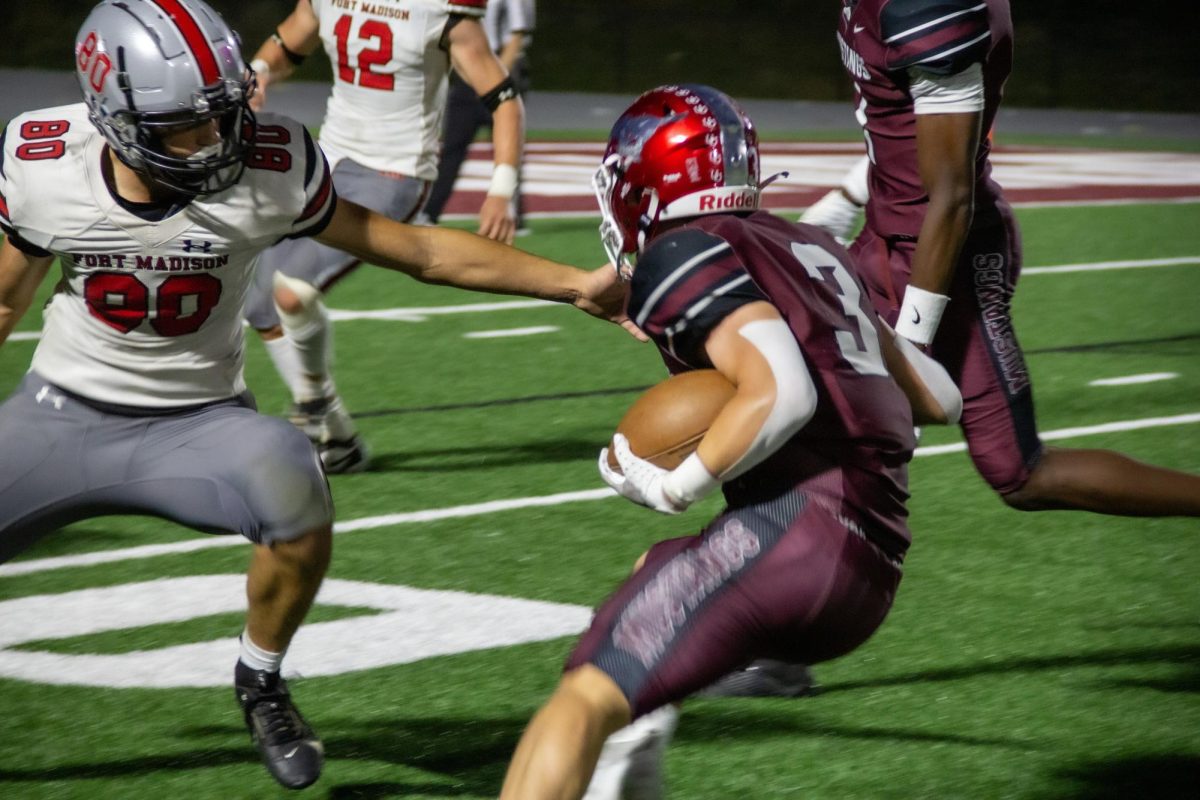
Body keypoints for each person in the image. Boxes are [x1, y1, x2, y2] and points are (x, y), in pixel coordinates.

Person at [0, 0, 629, 791]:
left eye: (223, 116)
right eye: (184, 128)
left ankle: (259, 677)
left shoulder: (268, 163)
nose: (213, 142)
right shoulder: (45, 160)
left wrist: (573, 284)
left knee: (295, 484)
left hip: (199, 423)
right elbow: (3, 302)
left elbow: (421, 250)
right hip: (60, 413)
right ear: (113, 116)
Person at [497, 84, 964, 800]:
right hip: (872, 572)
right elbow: (940, 397)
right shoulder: (809, 246)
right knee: (654, 570)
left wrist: (674, 483)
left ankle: (617, 751)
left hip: (796, 543)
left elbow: (783, 391)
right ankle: (632, 765)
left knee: (580, 700)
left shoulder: (680, 251)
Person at [242, 0, 526, 473]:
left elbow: (504, 100)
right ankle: (339, 438)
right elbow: (289, 43)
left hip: (394, 171)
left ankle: (312, 412)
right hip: (327, 158)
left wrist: (502, 188)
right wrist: (258, 71)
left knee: (291, 293)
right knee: (258, 304)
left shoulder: (443, 9)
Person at [421, 0, 535, 230]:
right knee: (452, 148)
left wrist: (495, 80)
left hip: (496, 74)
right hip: (469, 73)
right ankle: (430, 212)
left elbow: (518, 34)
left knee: (506, 149)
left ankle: (512, 214)